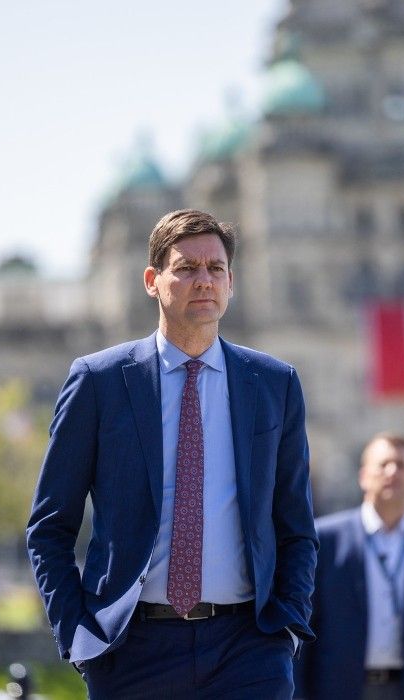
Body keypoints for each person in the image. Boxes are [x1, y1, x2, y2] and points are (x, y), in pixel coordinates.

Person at [26, 209, 317, 699]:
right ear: (152, 281)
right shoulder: (99, 381)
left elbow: (296, 525)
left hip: (248, 650)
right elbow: (49, 526)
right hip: (131, 651)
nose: (204, 280)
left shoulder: (274, 383)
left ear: (231, 283)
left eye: (216, 268)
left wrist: (286, 628)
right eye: (186, 268)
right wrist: (79, 636)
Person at [294, 432, 404, 700]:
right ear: (363, 476)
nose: (392, 471)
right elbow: (302, 628)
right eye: (383, 464)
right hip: (337, 690)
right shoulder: (324, 541)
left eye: (401, 465)